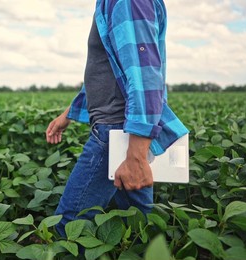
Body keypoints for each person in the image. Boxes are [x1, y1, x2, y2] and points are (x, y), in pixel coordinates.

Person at [46, 0, 189, 237]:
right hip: (119, 130)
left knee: (68, 229)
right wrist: (69, 113)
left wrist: (135, 155)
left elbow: (145, 77)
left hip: (117, 133)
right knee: (137, 228)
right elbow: (109, 71)